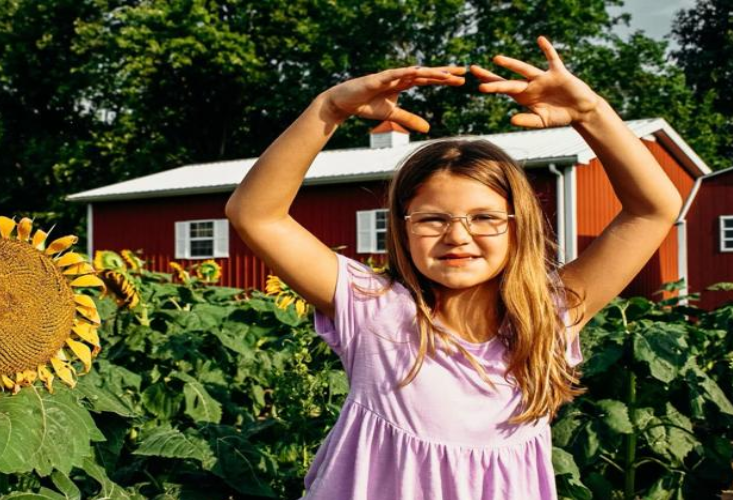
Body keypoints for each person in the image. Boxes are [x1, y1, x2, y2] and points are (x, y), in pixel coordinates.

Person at [225, 36, 683, 500]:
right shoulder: (375, 311)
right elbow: (256, 214)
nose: (458, 236)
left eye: (484, 218)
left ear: (517, 226)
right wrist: (329, 108)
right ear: (402, 229)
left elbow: (653, 210)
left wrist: (591, 113)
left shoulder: (547, 317)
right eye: (432, 219)